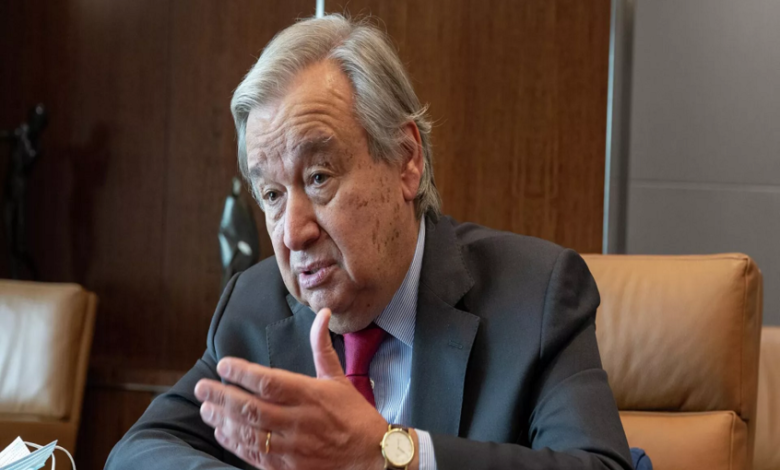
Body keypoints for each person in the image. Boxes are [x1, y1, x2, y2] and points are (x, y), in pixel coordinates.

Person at [106, 14, 632, 470]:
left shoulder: (534, 296)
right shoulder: (253, 307)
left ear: (406, 161)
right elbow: (139, 451)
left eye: (319, 177)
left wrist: (391, 455)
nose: (293, 232)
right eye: (271, 194)